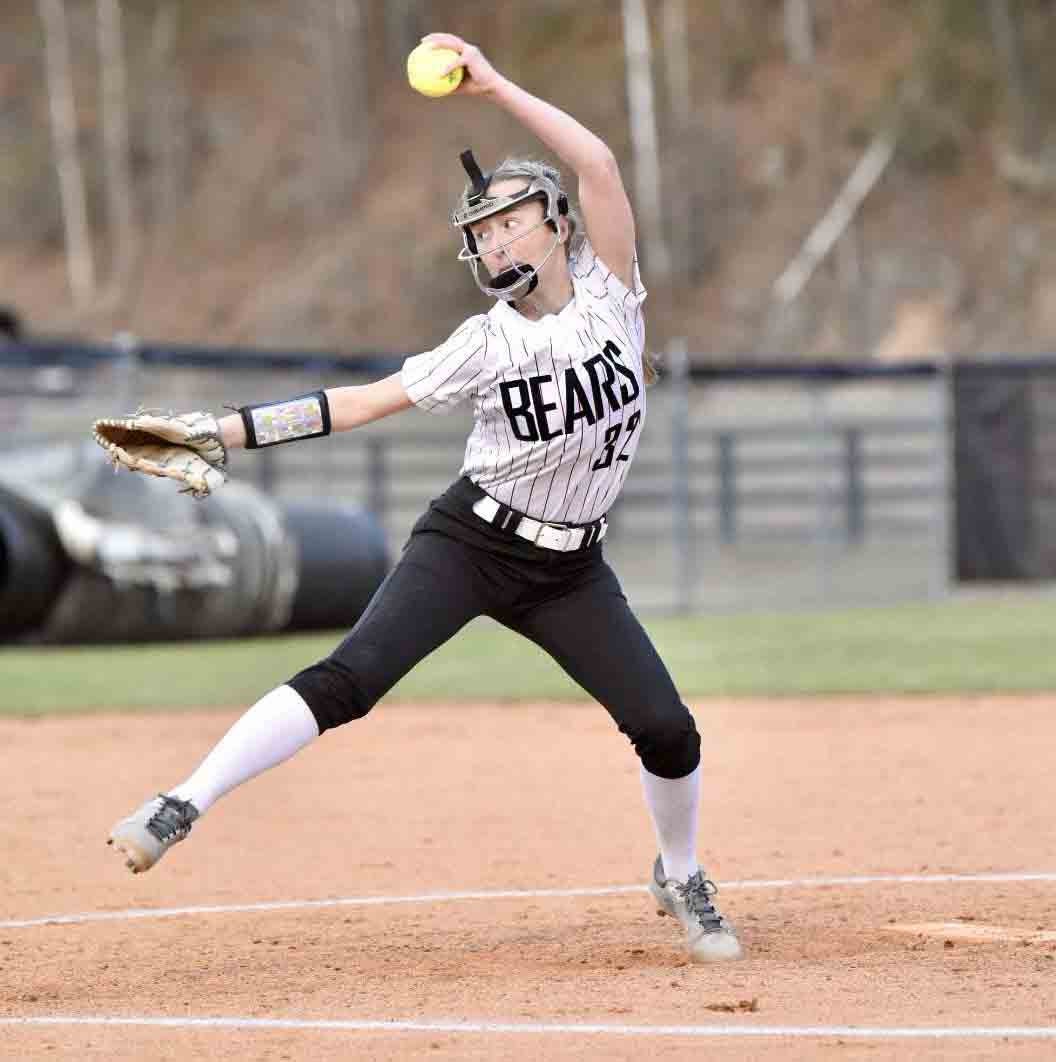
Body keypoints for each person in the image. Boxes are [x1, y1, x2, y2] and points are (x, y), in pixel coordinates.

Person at [107, 32, 742, 964]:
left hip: (571, 568)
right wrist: (220, 428)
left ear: (555, 223)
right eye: (479, 234)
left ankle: (680, 872)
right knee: (352, 679)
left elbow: (597, 160)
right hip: (470, 542)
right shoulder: (483, 342)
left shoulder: (616, 295)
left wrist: (491, 83)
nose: (491, 241)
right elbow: (359, 402)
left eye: (507, 221)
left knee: (666, 727)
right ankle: (181, 802)